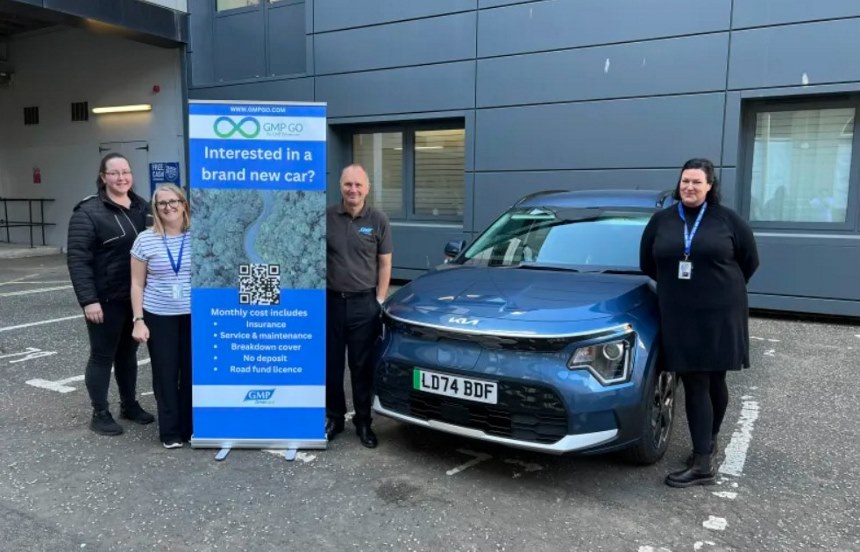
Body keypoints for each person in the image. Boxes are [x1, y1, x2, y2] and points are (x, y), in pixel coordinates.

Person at [639, 158, 759, 488]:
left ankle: (704, 459)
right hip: (680, 313)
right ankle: (706, 449)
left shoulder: (728, 220)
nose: (689, 187)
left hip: (721, 311)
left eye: (696, 182)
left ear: (710, 186)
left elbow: (750, 260)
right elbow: (647, 262)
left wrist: (718, 287)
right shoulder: (662, 220)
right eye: (685, 181)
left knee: (714, 378)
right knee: (696, 380)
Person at [67, 153, 155, 435]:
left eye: (126, 172)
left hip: (136, 297)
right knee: (102, 356)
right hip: (105, 299)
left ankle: (129, 405)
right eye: (114, 173)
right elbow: (78, 260)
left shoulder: (142, 207)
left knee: (128, 354)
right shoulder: (89, 212)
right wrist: (88, 300)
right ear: (103, 177)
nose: (121, 178)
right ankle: (100, 412)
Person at [325, 163, 392, 448]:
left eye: (358, 185)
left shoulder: (378, 220)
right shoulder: (326, 216)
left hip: (365, 304)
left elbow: (385, 261)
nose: (353, 190)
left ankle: (363, 422)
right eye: (348, 184)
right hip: (331, 303)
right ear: (340, 186)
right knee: (332, 365)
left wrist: (380, 299)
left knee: (361, 367)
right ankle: (334, 418)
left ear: (367, 188)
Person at [130, 184, 193, 449]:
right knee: (165, 373)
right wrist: (138, 320)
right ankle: (170, 432)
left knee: (191, 372)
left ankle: (191, 427)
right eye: (162, 203)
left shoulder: (198, 235)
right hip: (160, 315)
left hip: (194, 315)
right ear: (155, 209)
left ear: (183, 204)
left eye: (173, 201)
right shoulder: (145, 240)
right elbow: (136, 284)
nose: (168, 207)